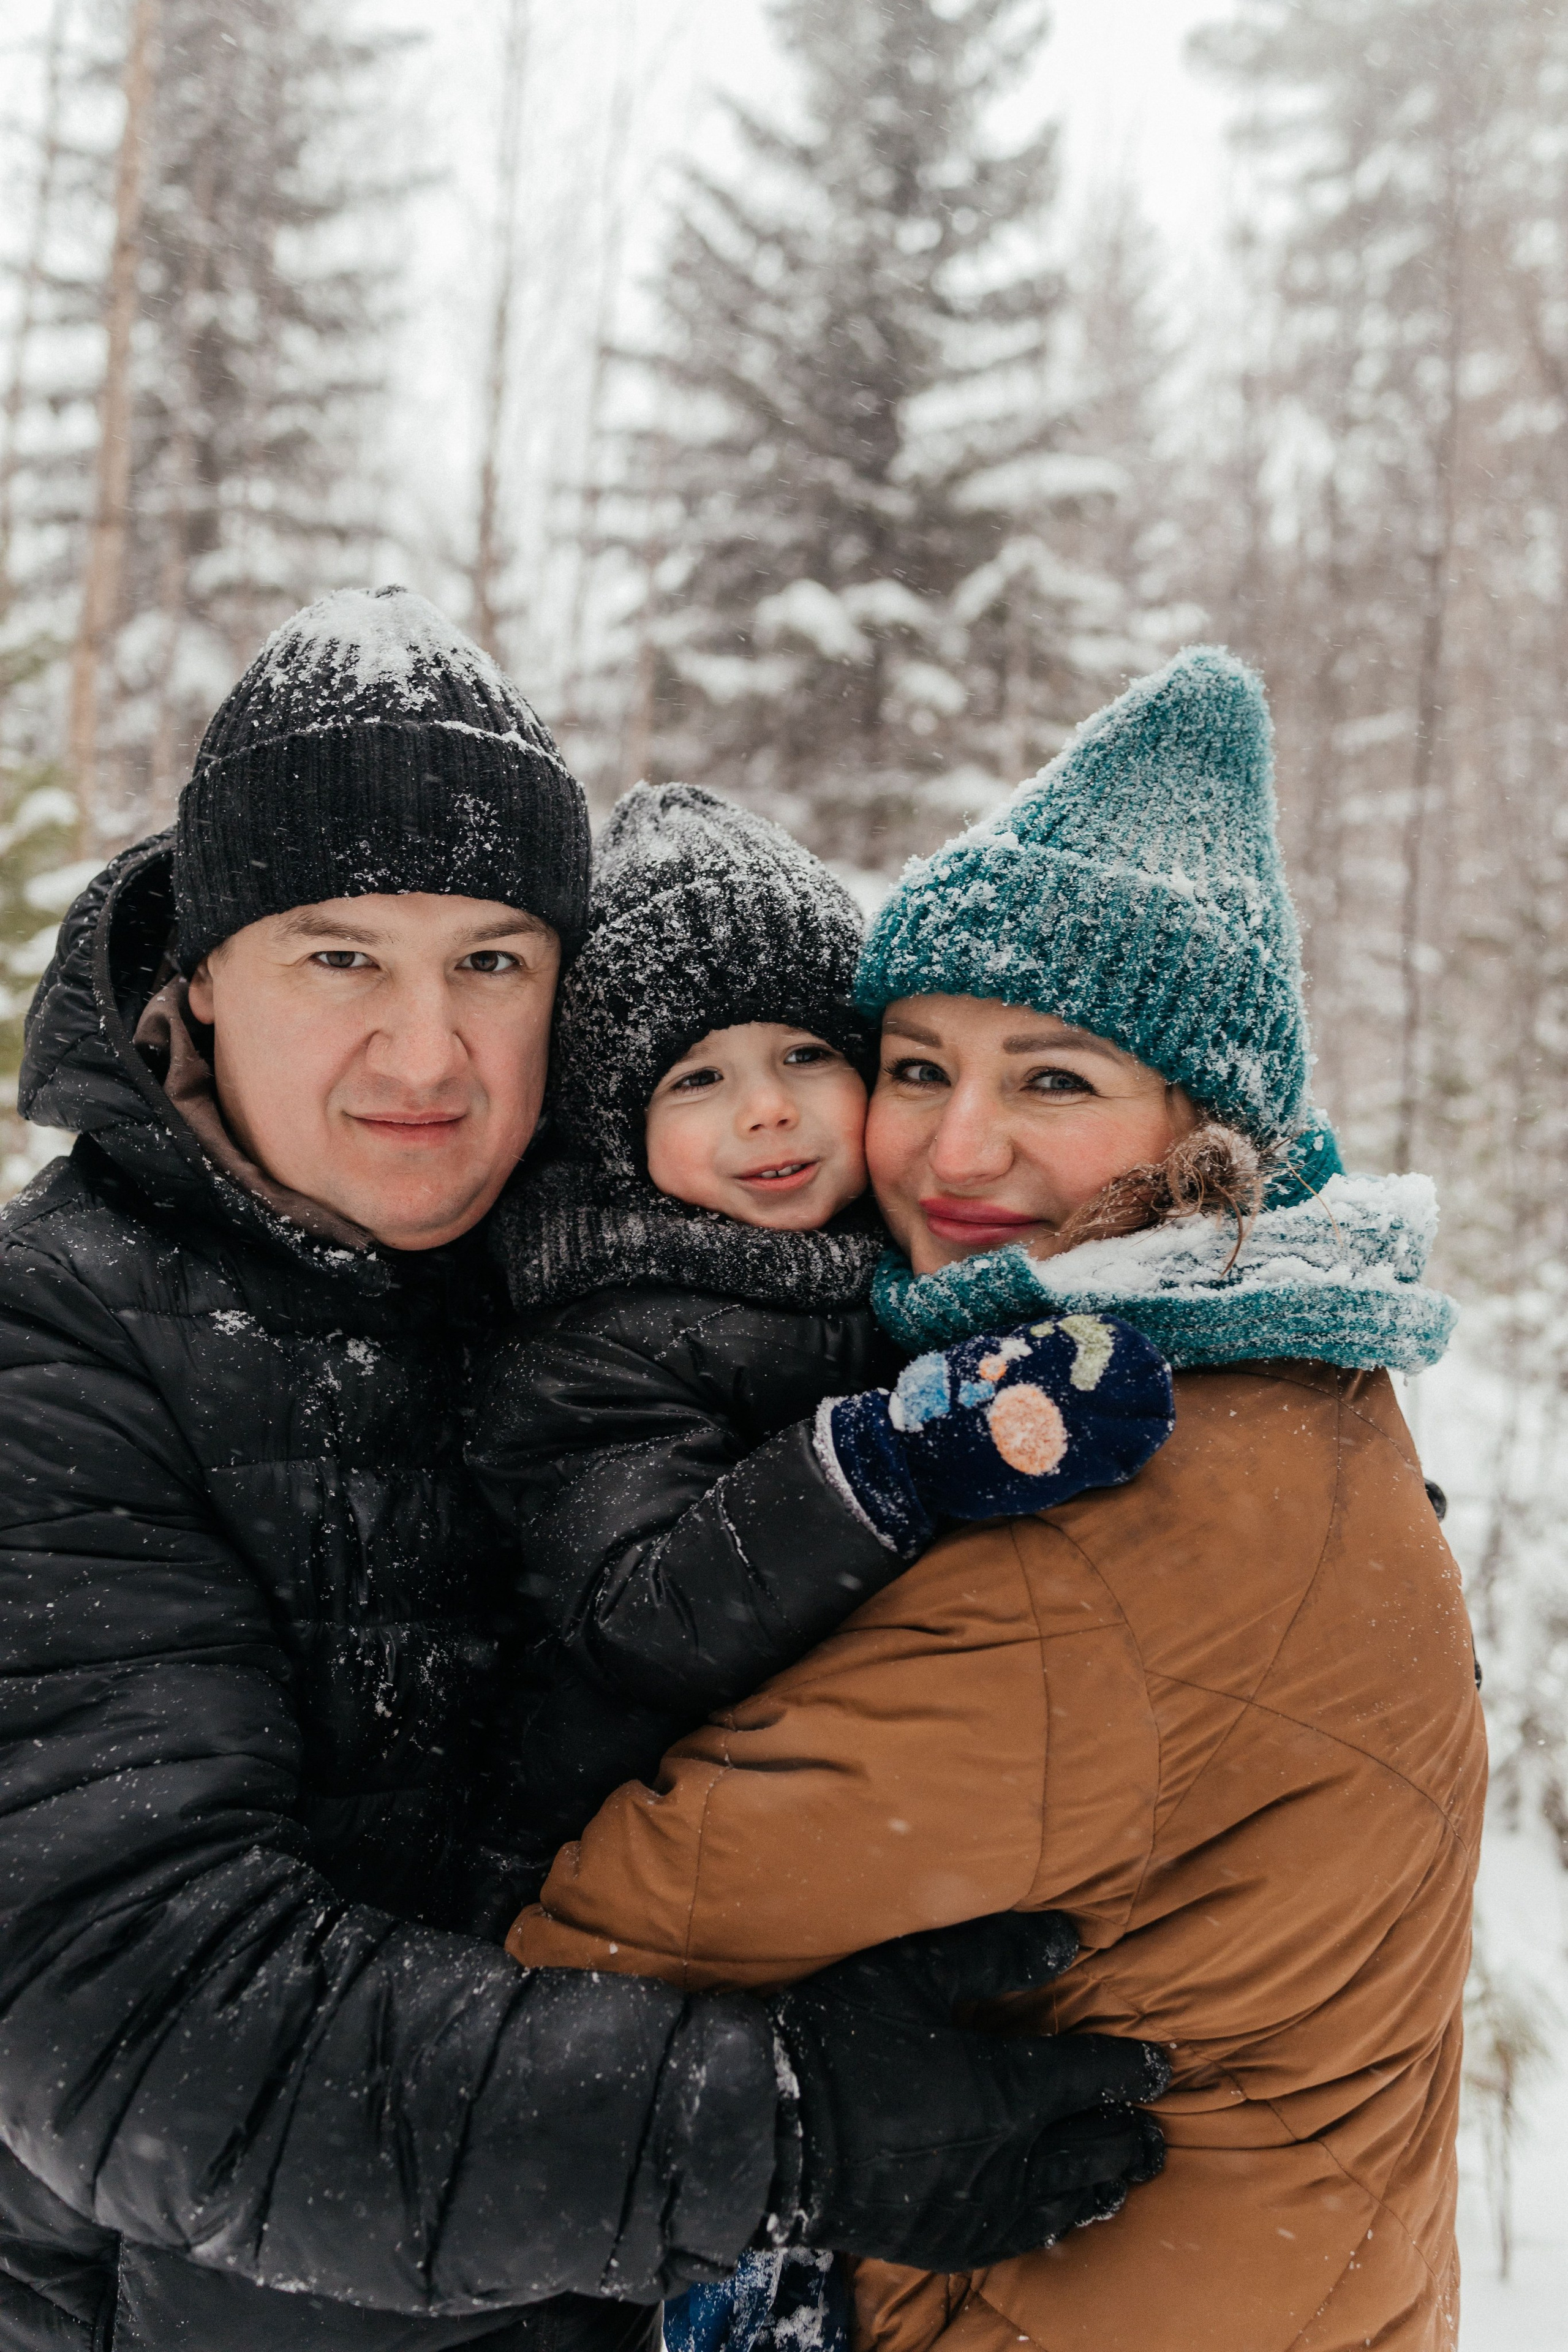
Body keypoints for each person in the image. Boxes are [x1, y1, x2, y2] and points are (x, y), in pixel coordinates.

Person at [0, 587, 1175, 2352]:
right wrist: (781, 2125)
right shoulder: (63, 1351)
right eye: (339, 956)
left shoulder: (597, 1250)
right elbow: (136, 2016)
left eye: (491, 961)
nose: (426, 1055)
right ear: (203, 976)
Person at [506, 647, 1488, 2352]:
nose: (953, 1157)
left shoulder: (1109, 1516)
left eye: (1052, 1081)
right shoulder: (1278, 1382)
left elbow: (598, 1942)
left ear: (1207, 1128)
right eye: (912, 1066)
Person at [469, 781, 1175, 2352]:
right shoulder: (595, 1339)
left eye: (805, 1057)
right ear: (611, 1126)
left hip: (838, 1857)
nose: (769, 1112)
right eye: (698, 1079)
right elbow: (635, 1611)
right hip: (630, 1888)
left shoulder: (881, 1284)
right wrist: (879, 1461)